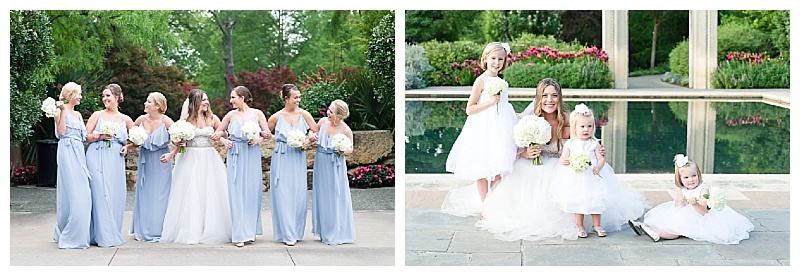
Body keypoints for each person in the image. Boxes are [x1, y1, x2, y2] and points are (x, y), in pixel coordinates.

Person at [468, 78, 578, 241]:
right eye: (545, 95)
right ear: (538, 98)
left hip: (558, 163)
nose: (549, 100)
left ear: (559, 98)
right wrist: (525, 154)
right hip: (533, 163)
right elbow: (512, 150)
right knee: (522, 175)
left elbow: (585, 138)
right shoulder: (529, 119)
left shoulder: (568, 119)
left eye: (554, 96)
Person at [550, 103, 647, 238]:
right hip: (576, 178)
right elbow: (563, 159)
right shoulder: (570, 144)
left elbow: (601, 159)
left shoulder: (594, 143)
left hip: (593, 176)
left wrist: (598, 167)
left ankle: (597, 225)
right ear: (574, 127)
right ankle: (580, 226)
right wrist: (564, 161)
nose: (586, 130)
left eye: (589, 126)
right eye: (582, 126)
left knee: (596, 201)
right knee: (578, 201)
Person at [443, 42, 518, 206]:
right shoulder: (481, 81)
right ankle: (485, 205)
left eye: (500, 59)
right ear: (485, 58)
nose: (496, 63)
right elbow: (470, 109)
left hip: (500, 129)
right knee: (482, 169)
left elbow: (504, 106)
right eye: (493, 58)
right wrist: (490, 102)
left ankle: (493, 203)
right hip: (483, 129)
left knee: (500, 169)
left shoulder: (501, 82)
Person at [160, 89, 233, 244]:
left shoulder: (213, 119)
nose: (207, 103)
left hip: (209, 158)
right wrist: (173, 150)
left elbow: (222, 134)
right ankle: (191, 230)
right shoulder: (185, 120)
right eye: (204, 100)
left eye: (207, 100)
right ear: (195, 102)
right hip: (189, 158)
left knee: (211, 193)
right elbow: (177, 141)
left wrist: (223, 139)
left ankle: (211, 229)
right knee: (191, 194)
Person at [630, 155, 754, 244]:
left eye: (694, 176)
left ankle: (657, 233)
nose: (691, 180)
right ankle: (643, 226)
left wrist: (695, 204)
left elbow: (705, 212)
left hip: (699, 217)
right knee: (666, 220)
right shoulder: (682, 189)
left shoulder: (702, 190)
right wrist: (681, 202)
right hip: (684, 213)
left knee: (675, 231)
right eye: (686, 177)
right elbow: (677, 206)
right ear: (680, 179)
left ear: (698, 175)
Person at [213, 86, 271, 247]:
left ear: (242, 98)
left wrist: (259, 139)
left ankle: (250, 231)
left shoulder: (257, 114)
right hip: (235, 155)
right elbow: (217, 134)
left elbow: (267, 134)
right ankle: (238, 233)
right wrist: (224, 140)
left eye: (233, 97)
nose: (231, 100)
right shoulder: (230, 115)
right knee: (236, 192)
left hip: (252, 154)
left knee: (252, 191)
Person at [267, 84, 320, 246]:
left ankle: (296, 231)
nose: (298, 100)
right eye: (295, 97)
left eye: (299, 97)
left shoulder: (304, 115)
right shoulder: (276, 117)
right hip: (281, 156)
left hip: (297, 156)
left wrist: (307, 140)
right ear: (286, 98)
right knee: (282, 193)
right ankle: (287, 233)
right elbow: (265, 134)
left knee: (297, 194)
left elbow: (316, 130)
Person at [84, 83, 134, 247]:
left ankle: (110, 231)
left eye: (108, 96)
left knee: (113, 193)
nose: (105, 99)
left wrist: (127, 147)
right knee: (99, 192)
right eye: (103, 96)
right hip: (96, 155)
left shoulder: (125, 119)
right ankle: (98, 234)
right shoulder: (97, 115)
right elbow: (86, 136)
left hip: (115, 159)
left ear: (117, 97)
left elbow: (138, 138)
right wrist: (98, 136)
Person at [128, 92, 175, 242]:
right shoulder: (141, 120)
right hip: (145, 160)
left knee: (160, 195)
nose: (145, 103)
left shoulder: (167, 122)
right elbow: (131, 138)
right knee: (145, 194)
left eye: (148, 101)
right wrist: (128, 147)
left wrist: (170, 155)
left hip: (161, 162)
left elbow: (182, 143)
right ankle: (144, 228)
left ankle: (159, 229)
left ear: (157, 106)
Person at [53, 82, 92, 249]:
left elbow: (83, 137)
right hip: (67, 150)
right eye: (78, 94)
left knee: (84, 190)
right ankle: (70, 234)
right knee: (75, 191)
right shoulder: (60, 111)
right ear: (70, 95)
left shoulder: (77, 114)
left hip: (78, 152)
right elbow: (61, 132)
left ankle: (76, 230)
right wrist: (62, 111)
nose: (81, 97)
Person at [311, 99, 356, 245]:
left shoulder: (346, 130)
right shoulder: (323, 122)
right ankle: (324, 230)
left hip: (335, 165)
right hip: (321, 162)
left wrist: (343, 151)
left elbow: (351, 149)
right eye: (329, 110)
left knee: (335, 195)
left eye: (332, 112)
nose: (328, 113)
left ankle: (336, 230)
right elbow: (313, 132)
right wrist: (311, 137)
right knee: (322, 195)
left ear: (339, 115)